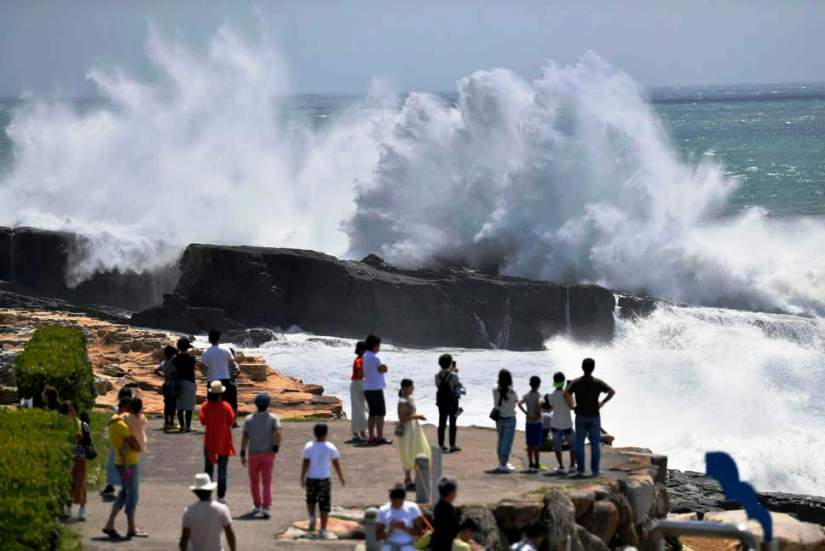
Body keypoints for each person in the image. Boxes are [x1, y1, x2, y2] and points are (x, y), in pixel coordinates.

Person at [103, 396, 146, 539]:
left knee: (124, 494)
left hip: (122, 461)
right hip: (128, 464)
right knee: (132, 495)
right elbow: (134, 444)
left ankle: (110, 523)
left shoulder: (116, 421)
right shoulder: (121, 425)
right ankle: (131, 528)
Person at [565, 358, 615, 478]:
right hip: (594, 416)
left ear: (582, 367)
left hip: (580, 415)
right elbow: (612, 392)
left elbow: (566, 393)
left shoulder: (576, 382)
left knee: (579, 444)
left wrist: (571, 406)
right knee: (595, 444)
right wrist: (602, 402)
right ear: (593, 368)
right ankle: (595, 470)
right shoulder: (598, 382)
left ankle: (580, 470)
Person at [240, 392, 282, 518]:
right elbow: (278, 433)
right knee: (267, 481)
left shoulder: (249, 419)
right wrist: (275, 447)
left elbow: (245, 437)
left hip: (253, 453)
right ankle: (266, 507)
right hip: (268, 453)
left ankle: (257, 505)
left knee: (254, 481)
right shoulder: (273, 418)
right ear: (268, 404)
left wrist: (242, 452)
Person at [300, 423, 345, 539]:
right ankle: (323, 529)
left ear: (314, 433)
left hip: (311, 477)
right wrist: (341, 477)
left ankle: (312, 517)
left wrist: (302, 477)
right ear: (326, 433)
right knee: (324, 504)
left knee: (311, 499)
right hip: (324, 478)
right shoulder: (330, 447)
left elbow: (305, 463)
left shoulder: (309, 446)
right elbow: (336, 463)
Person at [180, 473, 237, 551]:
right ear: (211, 490)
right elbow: (229, 534)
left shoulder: (189, 511)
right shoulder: (222, 509)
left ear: (196, 492)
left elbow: (184, 539)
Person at [200, 380, 236, 503]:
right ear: (221, 393)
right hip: (224, 441)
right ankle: (221, 496)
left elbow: (203, 421)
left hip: (210, 440)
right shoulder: (226, 406)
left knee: (208, 469)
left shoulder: (205, 406)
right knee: (222, 470)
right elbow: (231, 421)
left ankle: (207, 495)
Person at [397, 379, 432, 490]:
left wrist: (416, 417)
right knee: (407, 452)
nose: (413, 389)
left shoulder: (411, 399)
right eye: (411, 387)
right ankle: (407, 479)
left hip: (414, 428)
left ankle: (418, 476)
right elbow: (402, 417)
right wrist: (417, 417)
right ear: (405, 388)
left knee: (417, 449)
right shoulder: (402, 401)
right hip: (406, 429)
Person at [101, 386, 134, 498]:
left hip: (118, 440)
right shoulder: (133, 409)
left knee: (113, 464)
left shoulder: (118, 408)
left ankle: (111, 486)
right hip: (128, 441)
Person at [59, 401, 88, 521]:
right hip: (66, 457)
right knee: (67, 483)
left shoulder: (81, 424)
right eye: (69, 411)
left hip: (80, 457)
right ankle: (67, 507)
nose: (71, 413)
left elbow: (86, 441)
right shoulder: (61, 424)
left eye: (72, 410)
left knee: (80, 483)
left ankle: (82, 508)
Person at [543, 371, 576, 474]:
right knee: (573, 445)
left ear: (554, 382)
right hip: (567, 424)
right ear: (563, 381)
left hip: (555, 425)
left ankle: (561, 466)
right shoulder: (569, 394)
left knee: (557, 447)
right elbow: (572, 407)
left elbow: (550, 408)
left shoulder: (549, 396)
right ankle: (572, 465)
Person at [200, 329, 240, 416]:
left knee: (212, 403)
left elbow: (202, 366)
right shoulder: (226, 349)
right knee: (225, 403)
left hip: (212, 380)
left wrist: (206, 373)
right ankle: (226, 422)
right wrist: (234, 376)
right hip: (225, 379)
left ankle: (213, 421)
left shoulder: (206, 351)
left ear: (209, 339)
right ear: (219, 338)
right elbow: (234, 365)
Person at [376, 483, 426, 551]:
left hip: (407, 546)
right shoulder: (383, 510)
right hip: (389, 545)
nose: (395, 504)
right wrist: (389, 530)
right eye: (393, 501)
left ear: (403, 499)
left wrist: (405, 527)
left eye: (398, 502)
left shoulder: (412, 508)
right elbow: (377, 536)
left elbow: (420, 532)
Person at [362, 334, 391, 445]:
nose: (379, 347)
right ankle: (379, 437)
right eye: (379, 345)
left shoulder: (365, 356)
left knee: (372, 414)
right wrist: (385, 367)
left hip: (368, 388)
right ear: (375, 346)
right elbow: (383, 369)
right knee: (381, 413)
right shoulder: (375, 357)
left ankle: (371, 437)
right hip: (376, 388)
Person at [492, 369, 518, 473]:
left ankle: (501, 462)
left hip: (499, 418)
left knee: (501, 440)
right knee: (507, 442)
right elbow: (515, 401)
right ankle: (503, 463)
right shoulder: (511, 392)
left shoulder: (495, 390)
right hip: (510, 417)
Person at [435, 354, 462, 453]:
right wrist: (454, 373)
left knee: (442, 423)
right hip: (452, 402)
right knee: (453, 423)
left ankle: (441, 445)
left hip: (441, 402)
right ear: (450, 363)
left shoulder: (437, 375)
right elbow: (458, 388)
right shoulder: (453, 375)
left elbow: (438, 386)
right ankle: (452, 445)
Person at [518, 376, 543, 473]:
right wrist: (538, 413)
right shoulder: (540, 395)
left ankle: (530, 463)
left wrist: (526, 413)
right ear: (539, 385)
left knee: (529, 444)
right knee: (536, 444)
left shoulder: (526, 395)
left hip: (528, 422)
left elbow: (519, 404)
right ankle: (537, 463)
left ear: (530, 384)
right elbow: (541, 403)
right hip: (537, 422)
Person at [174, 337, 198, 432]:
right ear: (187, 347)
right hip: (189, 382)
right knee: (189, 406)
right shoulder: (191, 359)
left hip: (178, 382)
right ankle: (188, 426)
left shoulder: (176, 359)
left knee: (180, 406)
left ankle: (182, 426)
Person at [431, 477, 460, 551]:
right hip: (446, 545)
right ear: (451, 493)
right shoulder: (448, 510)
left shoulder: (438, 507)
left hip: (437, 544)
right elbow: (454, 529)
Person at [155, 344, 178, 431]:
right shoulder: (173, 361)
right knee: (173, 404)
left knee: (167, 404)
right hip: (172, 385)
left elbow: (156, 371)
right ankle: (171, 423)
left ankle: (166, 422)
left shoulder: (163, 362)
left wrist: (164, 375)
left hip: (165, 384)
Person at [349, 341, 369, 442]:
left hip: (357, 384)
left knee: (358, 409)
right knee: (360, 409)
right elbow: (360, 372)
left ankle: (358, 432)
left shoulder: (360, 359)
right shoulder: (360, 360)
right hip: (358, 383)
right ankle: (360, 433)